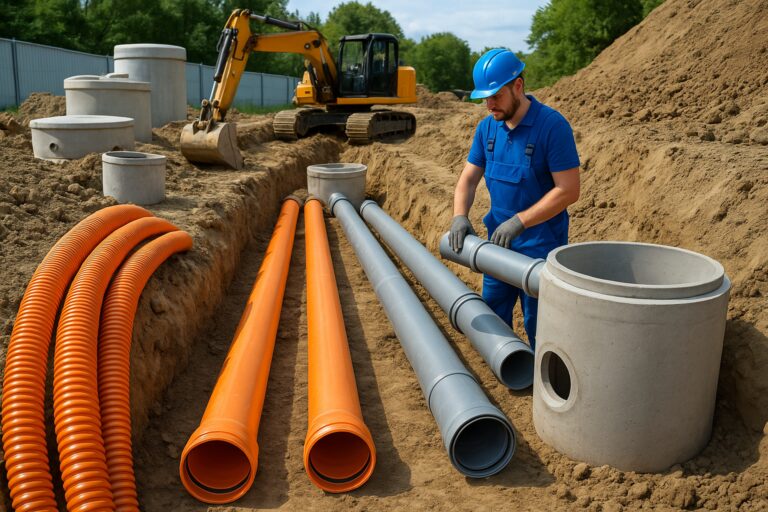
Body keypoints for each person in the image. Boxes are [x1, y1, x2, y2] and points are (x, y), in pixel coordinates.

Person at [449, 48, 580, 350]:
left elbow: (568, 189)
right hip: (499, 245)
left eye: (496, 96)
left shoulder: (552, 126)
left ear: (518, 86)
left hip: (541, 250)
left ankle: (539, 376)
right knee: (494, 319)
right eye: (485, 98)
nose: (489, 105)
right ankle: (506, 368)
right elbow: (468, 179)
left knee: (541, 327)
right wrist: (459, 215)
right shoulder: (488, 128)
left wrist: (520, 221)